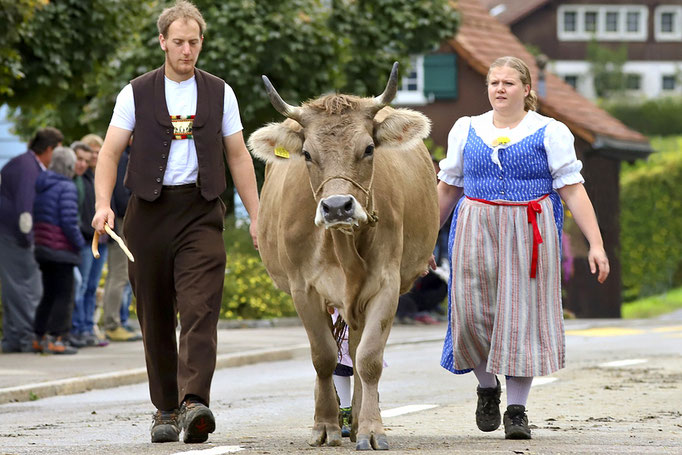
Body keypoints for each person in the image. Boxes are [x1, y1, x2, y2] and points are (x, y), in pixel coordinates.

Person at [91, 0, 259, 444]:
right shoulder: (136, 93)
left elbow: (238, 156)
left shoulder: (221, 92)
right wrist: (103, 204)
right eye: (179, 42)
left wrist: (258, 216)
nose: (187, 50)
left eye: (194, 42)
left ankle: (193, 403)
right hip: (146, 215)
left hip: (201, 213)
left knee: (201, 307)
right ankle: (165, 409)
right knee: (155, 314)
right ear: (162, 42)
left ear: (202, 42)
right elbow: (109, 153)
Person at [436, 56, 609, 440]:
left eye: (509, 83)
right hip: (474, 224)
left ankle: (517, 410)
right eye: (494, 82)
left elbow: (572, 190)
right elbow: (448, 188)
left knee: (521, 317)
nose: (500, 89)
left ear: (526, 89)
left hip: (530, 229)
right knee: (469, 312)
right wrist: (422, 241)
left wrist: (596, 244)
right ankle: (486, 387)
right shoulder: (467, 128)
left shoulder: (549, 131)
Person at [0, 127, 63, 353]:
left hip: (10, 233)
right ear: (48, 149)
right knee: (24, 289)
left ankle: (13, 339)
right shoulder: (29, 167)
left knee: (15, 288)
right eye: (58, 149)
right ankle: (27, 340)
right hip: (16, 235)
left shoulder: (25, 163)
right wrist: (29, 238)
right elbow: (25, 204)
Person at [32, 146, 85, 354]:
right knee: (64, 295)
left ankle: (39, 336)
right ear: (69, 166)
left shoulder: (43, 185)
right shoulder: (67, 187)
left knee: (49, 294)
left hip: (43, 247)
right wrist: (80, 243)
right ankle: (57, 338)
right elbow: (69, 222)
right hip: (62, 250)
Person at [100, 141, 140, 342]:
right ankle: (112, 324)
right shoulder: (124, 158)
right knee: (119, 275)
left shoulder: (127, 157)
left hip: (122, 221)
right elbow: (121, 196)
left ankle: (118, 322)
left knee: (121, 276)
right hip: (122, 222)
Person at [72, 134, 109, 348]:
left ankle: (87, 327)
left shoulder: (99, 177)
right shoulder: (80, 179)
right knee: (83, 285)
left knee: (92, 286)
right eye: (89, 154)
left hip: (101, 239)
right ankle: (80, 329)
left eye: (97, 153)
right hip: (86, 238)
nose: (93, 158)